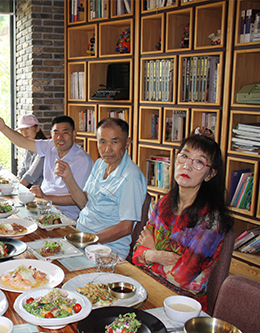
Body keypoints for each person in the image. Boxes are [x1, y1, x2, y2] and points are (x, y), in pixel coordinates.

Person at [133, 128, 233, 311]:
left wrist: (151, 253)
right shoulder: (164, 203)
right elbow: (136, 253)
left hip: (181, 303)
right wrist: (156, 255)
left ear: (210, 174)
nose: (187, 166)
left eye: (199, 162)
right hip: (148, 286)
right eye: (184, 157)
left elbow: (181, 277)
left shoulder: (211, 220)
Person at [54, 118, 147, 258]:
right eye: (102, 142)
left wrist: (89, 242)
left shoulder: (131, 177)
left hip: (106, 249)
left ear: (127, 143)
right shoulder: (99, 164)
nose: (107, 149)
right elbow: (84, 203)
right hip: (83, 238)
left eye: (114, 142)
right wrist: (68, 178)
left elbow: (125, 227)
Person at [0, 115, 93, 220]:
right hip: (41, 207)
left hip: (65, 215)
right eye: (56, 133)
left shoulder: (83, 160)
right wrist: (3, 128)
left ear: (74, 134)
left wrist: (46, 197)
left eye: (65, 132)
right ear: (51, 134)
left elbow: (79, 199)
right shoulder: (50, 145)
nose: (60, 137)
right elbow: (23, 142)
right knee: (4, 216)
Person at [16, 114, 47, 188]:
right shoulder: (29, 145)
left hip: (42, 191)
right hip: (29, 189)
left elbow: (31, 176)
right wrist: (17, 180)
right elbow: (23, 168)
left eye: (27, 128)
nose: (24, 133)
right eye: (21, 130)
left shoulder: (44, 147)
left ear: (38, 128)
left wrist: (17, 187)